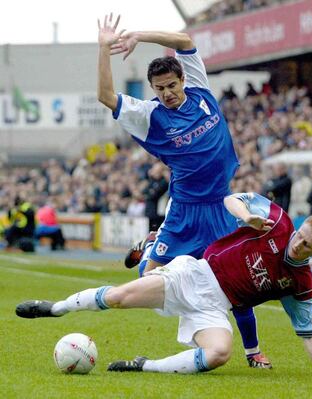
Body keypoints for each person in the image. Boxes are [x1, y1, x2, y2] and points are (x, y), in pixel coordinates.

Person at [97, 14, 270, 367]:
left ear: (182, 79)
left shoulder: (202, 91)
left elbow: (184, 38)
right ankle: (150, 244)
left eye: (171, 85)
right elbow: (103, 95)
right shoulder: (150, 117)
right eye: (159, 89)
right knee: (149, 278)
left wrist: (138, 35)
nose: (167, 93)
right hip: (185, 207)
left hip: (221, 204)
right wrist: (104, 48)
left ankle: (253, 352)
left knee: (234, 284)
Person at [16, 193, 312, 377]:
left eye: (305, 245)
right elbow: (233, 198)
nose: (296, 244)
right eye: (299, 236)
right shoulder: (278, 222)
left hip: (217, 307)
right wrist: (246, 216)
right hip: (195, 275)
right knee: (120, 296)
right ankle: (55, 309)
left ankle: (145, 365)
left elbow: (308, 329)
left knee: (218, 353)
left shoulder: (301, 282)